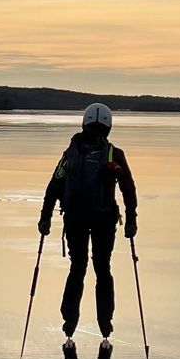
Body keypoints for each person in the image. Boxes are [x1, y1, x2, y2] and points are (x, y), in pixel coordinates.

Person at [38, 102, 138, 345]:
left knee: (78, 267)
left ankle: (69, 323)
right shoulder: (114, 154)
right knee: (103, 269)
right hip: (104, 219)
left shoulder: (70, 153)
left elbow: (54, 186)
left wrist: (45, 217)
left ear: (84, 123)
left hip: (75, 218)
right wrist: (131, 220)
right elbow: (128, 189)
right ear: (108, 126)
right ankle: (105, 325)